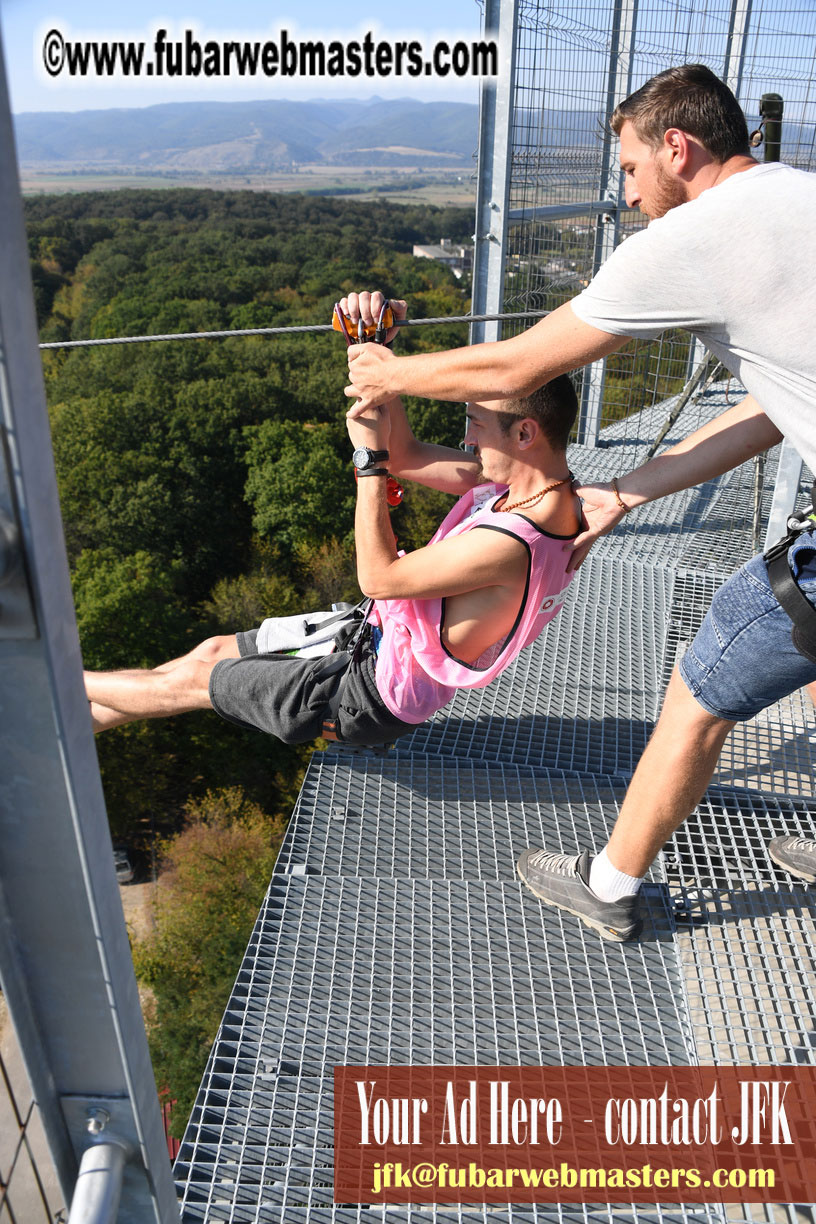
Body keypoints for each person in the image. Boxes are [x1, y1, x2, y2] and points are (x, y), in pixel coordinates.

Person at [343, 64, 816, 939]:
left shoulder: (700, 234)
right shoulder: (801, 198)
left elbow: (520, 368)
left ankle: (609, 885)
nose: (628, 196)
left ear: (678, 147)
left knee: (705, 685)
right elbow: (774, 411)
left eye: (631, 170)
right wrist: (629, 492)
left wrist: (388, 371)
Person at [85, 298, 582, 747]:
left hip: (365, 693)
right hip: (369, 640)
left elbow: (380, 578)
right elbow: (406, 453)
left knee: (193, 683)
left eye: (474, 423)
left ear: (523, 433)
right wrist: (373, 353)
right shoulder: (521, 491)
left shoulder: (515, 542)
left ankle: (38, 682)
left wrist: (368, 462)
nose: (469, 441)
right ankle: (74, 719)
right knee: (212, 650)